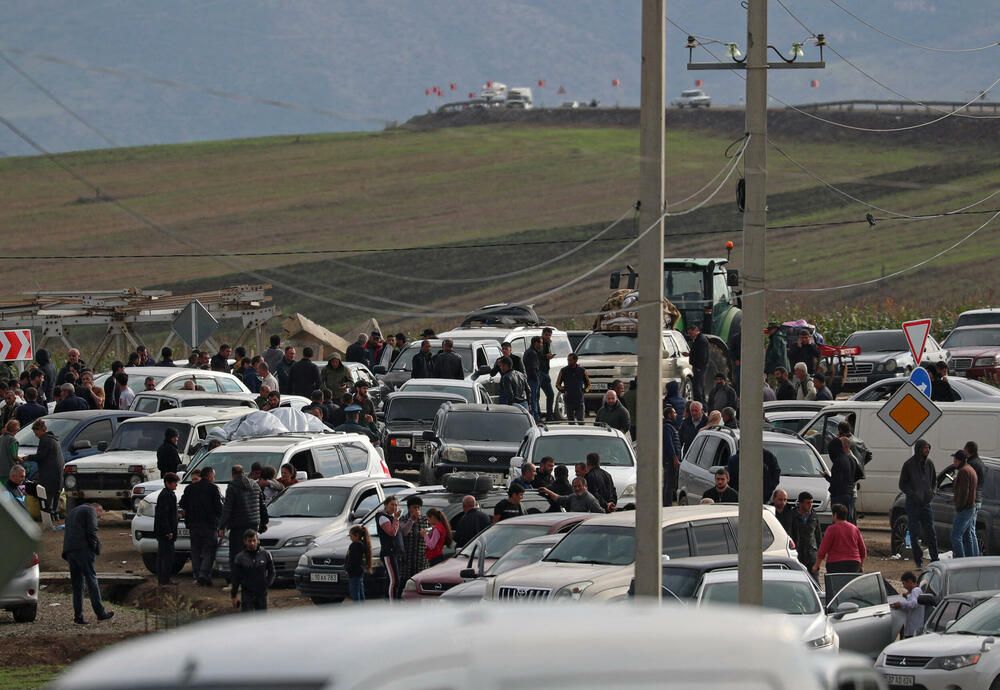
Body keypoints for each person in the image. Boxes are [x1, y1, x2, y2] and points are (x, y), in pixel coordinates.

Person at [62, 502, 114, 624]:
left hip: (69, 550)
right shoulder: (91, 510)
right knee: (91, 579)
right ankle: (100, 613)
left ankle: (78, 616)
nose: (99, 518)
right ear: (98, 510)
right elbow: (92, 530)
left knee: (77, 585)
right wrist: (96, 547)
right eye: (99, 516)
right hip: (83, 550)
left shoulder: (72, 512)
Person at [219, 465, 268, 573]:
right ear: (244, 473)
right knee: (253, 551)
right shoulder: (255, 485)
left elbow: (227, 508)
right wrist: (264, 522)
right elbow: (262, 505)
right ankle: (253, 575)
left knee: (236, 554)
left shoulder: (232, 487)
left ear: (233, 474)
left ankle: (237, 578)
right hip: (253, 524)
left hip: (238, 526)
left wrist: (222, 526)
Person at [898, 439, 939, 568]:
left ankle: (935, 558)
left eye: (928, 448)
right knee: (914, 533)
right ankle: (918, 560)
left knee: (931, 532)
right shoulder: (909, 465)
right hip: (913, 504)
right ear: (919, 449)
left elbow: (934, 481)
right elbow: (902, 484)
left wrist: (932, 493)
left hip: (926, 504)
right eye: (925, 448)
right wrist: (913, 494)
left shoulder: (929, 464)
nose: (927, 450)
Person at [179, 465, 222, 586]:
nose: (214, 478)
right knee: (209, 550)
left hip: (193, 525)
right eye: (213, 476)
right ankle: (204, 574)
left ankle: (197, 575)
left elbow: (182, 503)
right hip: (209, 525)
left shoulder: (190, 488)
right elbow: (218, 508)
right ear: (210, 476)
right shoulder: (213, 488)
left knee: (195, 551)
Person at [24, 419, 64, 515]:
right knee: (55, 495)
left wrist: (28, 457)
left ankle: (47, 515)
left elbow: (40, 456)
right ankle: (55, 514)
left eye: (35, 432)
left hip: (49, 473)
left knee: (46, 496)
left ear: (39, 430)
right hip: (58, 474)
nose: (35, 435)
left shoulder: (44, 439)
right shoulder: (54, 439)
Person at [813, 503, 866, 574]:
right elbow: (863, 550)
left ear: (835, 515)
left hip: (835, 563)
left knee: (836, 581)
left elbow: (823, 549)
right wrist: (861, 566)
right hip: (854, 563)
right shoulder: (854, 528)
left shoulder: (831, 529)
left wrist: (816, 565)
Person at [230, 529, 275, 612]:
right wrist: (234, 596)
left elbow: (272, 572)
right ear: (245, 541)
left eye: (254, 540)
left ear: (257, 540)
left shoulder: (266, 554)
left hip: (261, 593)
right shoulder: (240, 558)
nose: (252, 543)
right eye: (249, 541)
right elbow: (236, 578)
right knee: (247, 618)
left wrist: (267, 584)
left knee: (262, 618)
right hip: (247, 593)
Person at [375, 495, 404, 600]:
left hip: (396, 553)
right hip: (389, 553)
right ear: (386, 505)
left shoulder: (391, 518)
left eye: (396, 505)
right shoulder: (382, 517)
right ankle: (392, 605)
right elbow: (392, 532)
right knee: (394, 580)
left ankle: (390, 601)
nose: (394, 507)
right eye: (392, 505)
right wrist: (396, 519)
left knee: (393, 579)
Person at [951, 449, 978, 558]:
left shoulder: (963, 471)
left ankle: (960, 560)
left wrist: (959, 507)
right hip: (971, 507)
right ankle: (971, 560)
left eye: (955, 460)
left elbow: (964, 492)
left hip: (965, 508)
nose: (954, 462)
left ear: (959, 460)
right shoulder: (970, 469)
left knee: (955, 536)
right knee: (967, 536)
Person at [155, 472, 180, 586]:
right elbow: (163, 515)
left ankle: (164, 579)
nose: (176, 485)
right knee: (166, 557)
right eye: (174, 483)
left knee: (164, 556)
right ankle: (164, 579)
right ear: (167, 483)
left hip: (165, 530)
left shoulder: (168, 494)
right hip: (165, 532)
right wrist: (168, 531)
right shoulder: (166, 495)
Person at [399, 495, 430, 585]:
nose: (416, 509)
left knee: (421, 583)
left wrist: (426, 535)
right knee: (405, 584)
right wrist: (412, 519)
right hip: (407, 559)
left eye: (418, 507)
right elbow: (404, 532)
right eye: (414, 507)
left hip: (421, 559)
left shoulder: (425, 520)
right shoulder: (403, 519)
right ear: (409, 508)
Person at [790, 492, 821, 578]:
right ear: (800, 503)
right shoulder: (792, 515)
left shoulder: (813, 516)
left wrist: (818, 553)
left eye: (811, 502)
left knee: (814, 579)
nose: (810, 505)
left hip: (811, 554)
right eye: (807, 503)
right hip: (797, 553)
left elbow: (818, 535)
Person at [825, 437, 856, 524]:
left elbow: (837, 481)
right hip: (849, 493)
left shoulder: (838, 461)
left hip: (839, 496)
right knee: (849, 521)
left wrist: (827, 477)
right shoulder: (850, 459)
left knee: (838, 522)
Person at [965, 441, 986, 556]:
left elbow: (969, 483)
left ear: (968, 450)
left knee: (969, 530)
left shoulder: (972, 464)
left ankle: (973, 555)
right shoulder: (980, 463)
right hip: (979, 498)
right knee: (971, 529)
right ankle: (975, 554)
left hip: (972, 499)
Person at [540, 476, 605, 513]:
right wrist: (547, 491)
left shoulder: (590, 499)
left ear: (585, 486)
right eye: (575, 486)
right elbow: (559, 499)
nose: (577, 488)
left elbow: (601, 513)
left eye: (579, 486)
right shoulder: (573, 496)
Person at [556, 353, 590, 423]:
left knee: (581, 421)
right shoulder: (563, 370)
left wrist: (583, 391)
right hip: (568, 400)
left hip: (579, 400)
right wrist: (564, 390)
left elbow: (588, 384)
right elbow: (557, 384)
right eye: (568, 360)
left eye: (570, 360)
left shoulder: (582, 370)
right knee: (571, 422)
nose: (568, 362)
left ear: (576, 360)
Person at [891, 572, 925, 638]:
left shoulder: (916, 590)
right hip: (912, 629)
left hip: (914, 628)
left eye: (904, 583)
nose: (904, 586)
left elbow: (914, 603)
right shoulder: (914, 591)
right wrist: (907, 598)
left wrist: (900, 604)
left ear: (909, 581)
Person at [347, 524, 372, 603]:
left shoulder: (354, 546)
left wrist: (348, 569)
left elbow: (353, 560)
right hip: (359, 572)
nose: (350, 538)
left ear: (356, 535)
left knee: (355, 593)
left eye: (351, 536)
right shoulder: (361, 545)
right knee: (360, 592)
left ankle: (357, 608)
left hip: (354, 573)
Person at [662, 406, 681, 506]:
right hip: (669, 460)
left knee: (669, 483)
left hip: (670, 460)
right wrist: (675, 458)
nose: (676, 414)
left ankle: (666, 504)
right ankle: (667, 505)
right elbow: (669, 444)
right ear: (669, 415)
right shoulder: (667, 427)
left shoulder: (670, 426)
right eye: (674, 413)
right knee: (668, 484)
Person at [538, 327, 557, 421]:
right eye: (546, 335)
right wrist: (546, 356)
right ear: (542, 334)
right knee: (536, 395)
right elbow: (537, 355)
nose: (548, 337)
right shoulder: (540, 342)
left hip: (545, 372)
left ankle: (549, 415)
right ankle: (537, 416)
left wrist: (549, 356)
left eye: (549, 335)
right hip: (539, 372)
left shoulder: (548, 343)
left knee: (550, 394)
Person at [764, 323, 790, 387]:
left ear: (775, 329)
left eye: (770, 329)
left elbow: (775, 352)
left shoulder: (776, 337)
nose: (769, 331)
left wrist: (768, 361)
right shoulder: (781, 336)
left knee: (773, 386)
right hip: (782, 368)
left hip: (774, 368)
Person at [523, 336, 542, 421]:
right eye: (540, 343)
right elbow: (532, 368)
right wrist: (536, 378)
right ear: (536, 343)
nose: (541, 345)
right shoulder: (532, 353)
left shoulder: (530, 351)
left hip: (531, 378)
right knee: (533, 399)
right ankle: (534, 418)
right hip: (532, 380)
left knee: (533, 399)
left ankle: (535, 416)